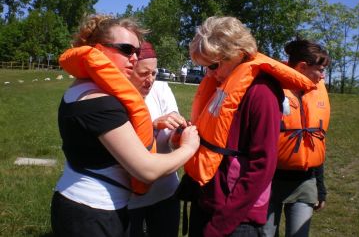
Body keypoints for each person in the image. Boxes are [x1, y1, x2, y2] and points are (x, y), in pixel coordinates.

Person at [51, 14, 199, 237]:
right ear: (98, 49)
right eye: (127, 50)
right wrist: (189, 146)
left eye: (137, 52)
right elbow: (146, 170)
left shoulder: (82, 88)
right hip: (92, 214)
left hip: (80, 205)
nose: (133, 58)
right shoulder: (99, 101)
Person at [180, 16, 315, 237]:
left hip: (235, 219)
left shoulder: (261, 92)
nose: (209, 74)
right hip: (208, 202)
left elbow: (262, 165)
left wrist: (220, 225)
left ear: (236, 53)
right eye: (205, 67)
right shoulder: (221, 84)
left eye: (213, 65)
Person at [263, 38, 331, 237]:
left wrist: (320, 188)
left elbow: (316, 142)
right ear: (302, 67)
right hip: (269, 183)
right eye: (319, 69)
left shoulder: (317, 93)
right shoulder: (271, 90)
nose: (322, 76)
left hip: (305, 183)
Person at [128, 41, 185, 237]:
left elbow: (171, 139)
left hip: (166, 191)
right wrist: (152, 125)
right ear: (128, 69)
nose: (150, 80)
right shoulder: (117, 97)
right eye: (143, 73)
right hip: (129, 197)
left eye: (154, 73)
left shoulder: (161, 89)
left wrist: (180, 133)